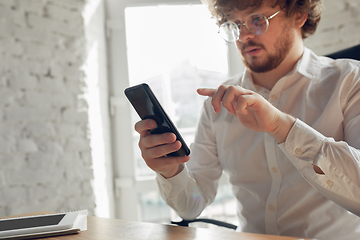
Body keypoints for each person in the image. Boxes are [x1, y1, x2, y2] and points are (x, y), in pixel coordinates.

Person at [134, 0, 360, 239]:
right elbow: (192, 205)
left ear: (299, 15)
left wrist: (281, 127)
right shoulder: (217, 104)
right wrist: (171, 172)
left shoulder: (349, 82)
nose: (243, 36)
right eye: (234, 24)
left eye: (257, 20)